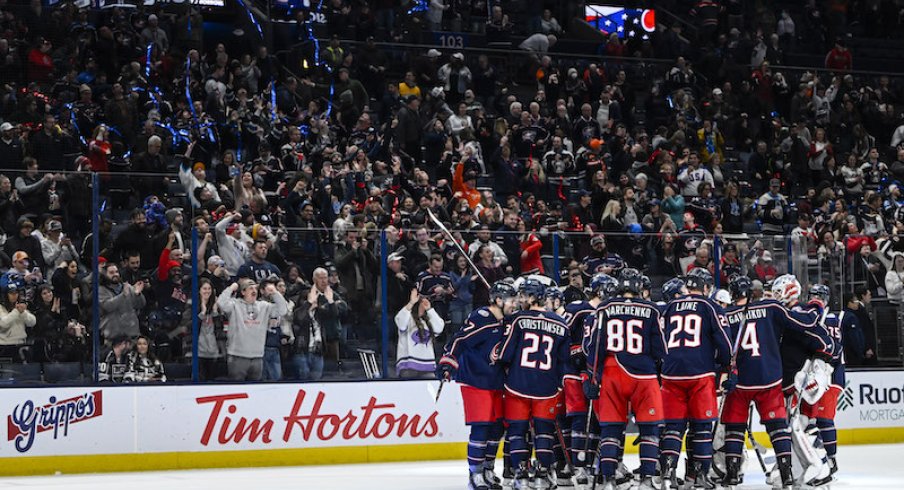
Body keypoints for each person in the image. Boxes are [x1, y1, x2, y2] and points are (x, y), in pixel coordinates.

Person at [719, 276, 833, 488]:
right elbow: (809, 326)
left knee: (735, 428)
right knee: (782, 428)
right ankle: (787, 472)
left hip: (743, 381)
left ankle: (732, 472)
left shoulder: (726, 314)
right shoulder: (772, 308)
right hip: (771, 380)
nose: (776, 295)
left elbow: (721, 348)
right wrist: (817, 305)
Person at [582, 272, 666, 490]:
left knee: (611, 430)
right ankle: (647, 481)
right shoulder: (651, 309)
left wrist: (593, 377)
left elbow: (595, 346)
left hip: (612, 372)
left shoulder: (604, 308)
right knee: (649, 429)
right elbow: (660, 350)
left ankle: (608, 481)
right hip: (644, 375)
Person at [440, 281, 517, 490]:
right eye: (511, 300)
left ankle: (488, 469)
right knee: (481, 427)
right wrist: (448, 362)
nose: (515, 303)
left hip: (496, 381)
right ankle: (475, 474)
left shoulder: (507, 322)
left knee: (497, 427)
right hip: (475, 381)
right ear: (498, 300)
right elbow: (460, 339)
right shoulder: (482, 318)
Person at [660, 268, 732, 487]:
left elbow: (660, 336)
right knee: (701, 427)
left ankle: (668, 474)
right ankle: (700, 475)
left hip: (671, 373)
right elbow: (725, 341)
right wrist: (726, 364)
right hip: (700, 373)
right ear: (706, 287)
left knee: (673, 428)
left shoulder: (670, 306)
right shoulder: (711, 306)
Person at [496, 279, 569, 489]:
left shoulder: (517, 320)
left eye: (522, 295)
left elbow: (505, 354)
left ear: (530, 297)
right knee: (544, 432)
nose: (519, 299)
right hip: (547, 388)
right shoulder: (561, 323)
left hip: (517, 385)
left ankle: (520, 473)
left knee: (517, 431)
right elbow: (563, 360)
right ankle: (543, 475)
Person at [561, 273, 618, 486]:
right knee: (579, 417)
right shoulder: (578, 308)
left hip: (595, 373)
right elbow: (561, 335)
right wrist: (574, 353)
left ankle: (593, 462)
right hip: (574, 371)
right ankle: (577, 466)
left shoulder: (607, 312)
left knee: (595, 420)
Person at [217, 278, 288, 381]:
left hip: (257, 357)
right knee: (237, 391)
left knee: (255, 392)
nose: (254, 290)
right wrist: (231, 288)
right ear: (243, 292)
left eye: (255, 288)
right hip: (237, 356)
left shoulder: (264, 306)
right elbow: (221, 303)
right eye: (250, 288)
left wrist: (275, 293)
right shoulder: (234, 305)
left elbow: (283, 310)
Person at [292, 268, 347, 380]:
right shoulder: (306, 294)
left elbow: (339, 311)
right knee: (304, 379)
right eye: (320, 278)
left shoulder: (330, 294)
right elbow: (298, 317)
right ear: (314, 279)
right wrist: (309, 304)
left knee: (321, 379)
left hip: (322, 345)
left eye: (325, 278)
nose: (324, 281)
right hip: (303, 346)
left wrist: (330, 302)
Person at [395, 288, 444, 378]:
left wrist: (430, 310)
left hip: (427, 366)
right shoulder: (407, 318)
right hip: (408, 366)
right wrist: (411, 302)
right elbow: (401, 323)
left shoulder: (428, 321)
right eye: (421, 301)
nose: (424, 304)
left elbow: (439, 328)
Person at [98, 263, 146, 341]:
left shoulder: (127, 287)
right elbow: (107, 306)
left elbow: (141, 304)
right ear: (105, 275)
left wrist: (138, 294)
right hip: (112, 334)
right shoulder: (101, 290)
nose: (115, 274)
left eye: (116, 272)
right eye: (111, 272)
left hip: (131, 332)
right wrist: (123, 295)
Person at [197, 278, 224, 381]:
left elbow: (220, 328)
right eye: (204, 288)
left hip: (213, 351)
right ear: (199, 290)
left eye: (209, 288)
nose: (207, 291)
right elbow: (188, 326)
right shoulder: (193, 304)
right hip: (198, 351)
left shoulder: (216, 306)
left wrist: (215, 312)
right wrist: (202, 313)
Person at [0, 284, 36, 361]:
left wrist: (23, 313)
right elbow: (3, 324)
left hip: (21, 344)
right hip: (4, 345)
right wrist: (16, 311)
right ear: (6, 295)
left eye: (16, 293)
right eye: (11, 293)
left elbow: (32, 322)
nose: (14, 295)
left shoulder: (21, 307)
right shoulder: (1, 308)